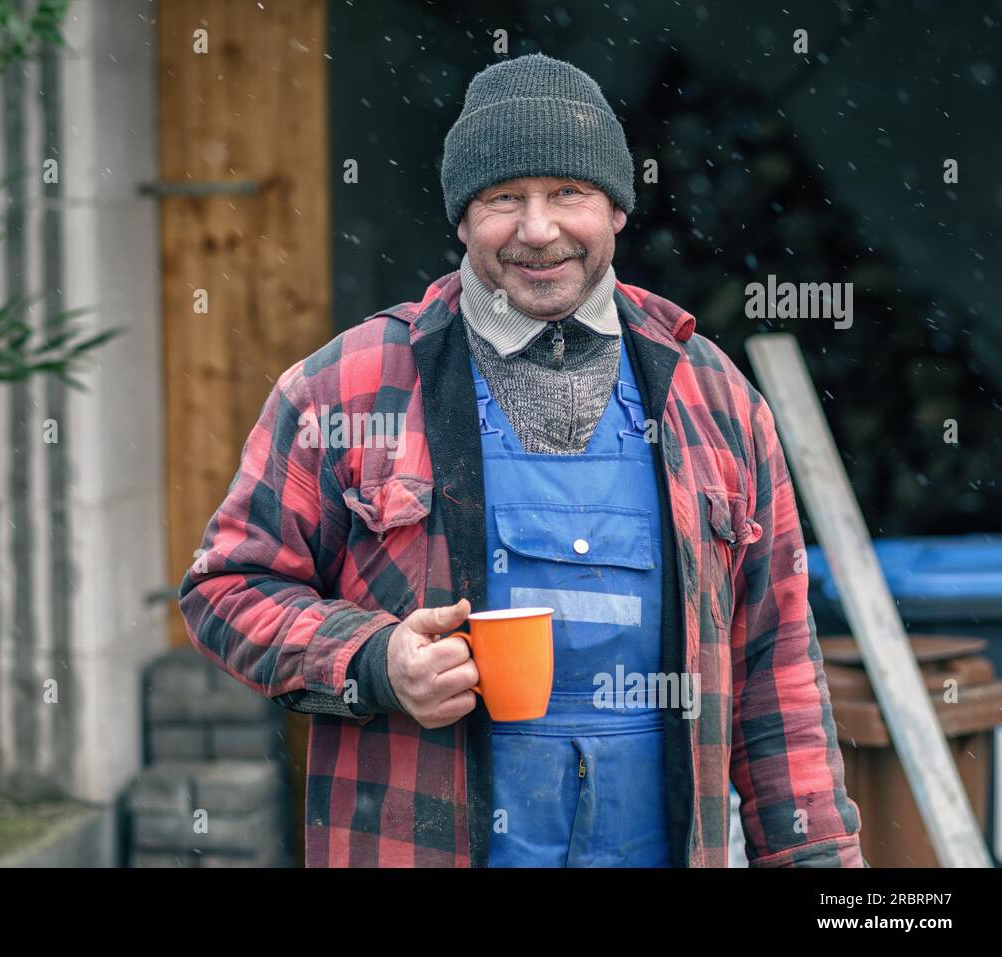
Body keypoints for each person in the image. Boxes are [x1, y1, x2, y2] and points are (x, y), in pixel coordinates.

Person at [179, 52, 863, 868]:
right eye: (504, 198)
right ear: (463, 220)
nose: (537, 230)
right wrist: (374, 660)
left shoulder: (714, 399)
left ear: (616, 208)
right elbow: (226, 589)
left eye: (567, 193)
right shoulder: (346, 389)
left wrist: (821, 864)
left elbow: (776, 665)